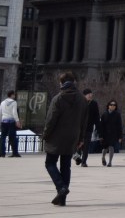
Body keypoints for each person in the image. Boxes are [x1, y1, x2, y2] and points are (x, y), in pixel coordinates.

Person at [42, 71, 86, 206]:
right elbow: (84, 121)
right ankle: (62, 199)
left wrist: (46, 134)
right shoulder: (82, 99)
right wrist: (81, 138)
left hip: (56, 136)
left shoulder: (58, 98)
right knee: (66, 166)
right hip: (72, 136)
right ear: (74, 83)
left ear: (61, 83)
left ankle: (61, 187)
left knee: (50, 163)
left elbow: (51, 120)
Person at [0, 89, 22, 158]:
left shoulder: (3, 102)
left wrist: (0, 121)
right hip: (11, 122)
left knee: (3, 137)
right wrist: (17, 121)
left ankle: (2, 153)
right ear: (12, 95)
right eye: (14, 94)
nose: (14, 96)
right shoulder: (14, 102)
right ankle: (15, 153)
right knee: (13, 138)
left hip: (4, 121)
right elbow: (14, 112)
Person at [99, 100, 123, 167]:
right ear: (108, 106)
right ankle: (103, 157)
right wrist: (100, 135)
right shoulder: (104, 114)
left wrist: (120, 136)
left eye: (114, 105)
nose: (112, 106)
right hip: (105, 133)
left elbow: (119, 125)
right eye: (111, 105)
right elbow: (101, 125)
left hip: (113, 133)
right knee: (105, 147)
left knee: (111, 146)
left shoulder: (117, 114)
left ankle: (110, 162)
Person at [79, 88, 99, 167]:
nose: (90, 95)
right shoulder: (79, 102)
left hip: (89, 127)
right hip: (79, 127)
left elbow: (97, 116)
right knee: (78, 144)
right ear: (84, 95)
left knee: (86, 145)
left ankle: (83, 162)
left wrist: (98, 127)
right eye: (88, 94)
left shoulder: (94, 104)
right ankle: (77, 156)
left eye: (91, 94)